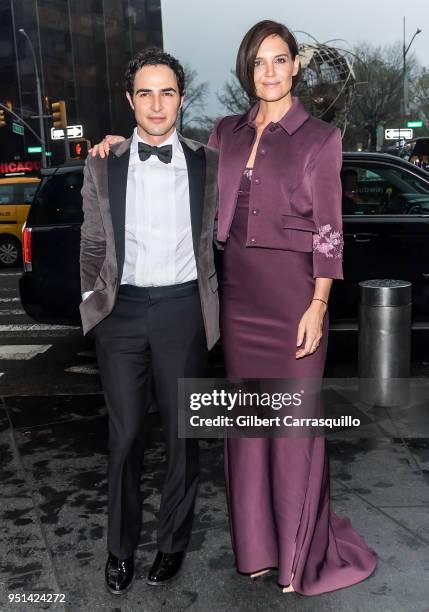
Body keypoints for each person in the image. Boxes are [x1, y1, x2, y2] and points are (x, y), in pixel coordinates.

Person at [89, 21, 378, 596]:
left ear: (296, 66)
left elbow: (329, 231)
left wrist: (319, 305)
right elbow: (169, 156)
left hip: (294, 297)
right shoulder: (226, 132)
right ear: (246, 72)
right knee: (247, 434)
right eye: (257, 62)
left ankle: (300, 559)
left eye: (279, 60)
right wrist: (110, 146)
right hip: (238, 300)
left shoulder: (321, 137)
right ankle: (258, 552)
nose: (268, 72)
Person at [79, 48, 219, 595]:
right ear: (129, 100)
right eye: (145, 92)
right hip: (122, 312)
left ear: (182, 98)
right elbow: (92, 241)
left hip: (184, 309)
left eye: (167, 92)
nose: (156, 104)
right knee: (126, 435)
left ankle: (171, 545)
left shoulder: (209, 161)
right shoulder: (102, 162)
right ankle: (119, 551)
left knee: (185, 438)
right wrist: (94, 302)